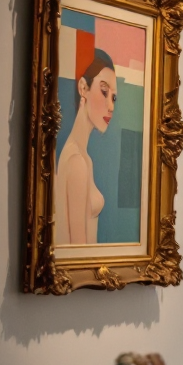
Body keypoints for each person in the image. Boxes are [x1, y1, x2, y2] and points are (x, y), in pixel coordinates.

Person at [54, 49, 117, 245]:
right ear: (83, 88)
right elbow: (78, 252)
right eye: (104, 92)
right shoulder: (76, 161)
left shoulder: (82, 157)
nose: (111, 106)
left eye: (113, 98)